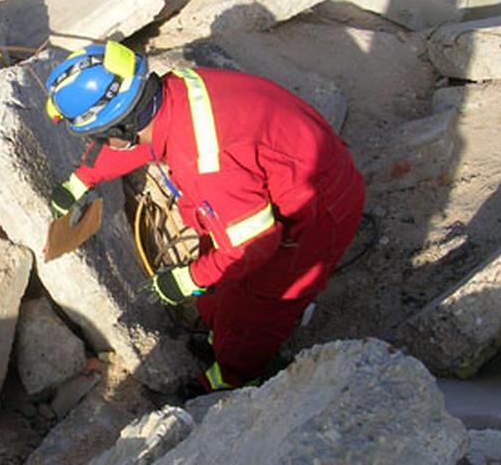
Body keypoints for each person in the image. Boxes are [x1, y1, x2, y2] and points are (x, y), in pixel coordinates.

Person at [45, 41, 366, 391]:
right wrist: (81, 180)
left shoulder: (205, 164)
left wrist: (188, 279)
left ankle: (233, 377)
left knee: (255, 310)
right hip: (285, 175)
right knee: (220, 294)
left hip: (314, 217)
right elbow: (140, 142)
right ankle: (222, 339)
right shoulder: (170, 93)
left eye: (100, 137)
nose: (101, 144)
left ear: (119, 131)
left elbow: (253, 246)